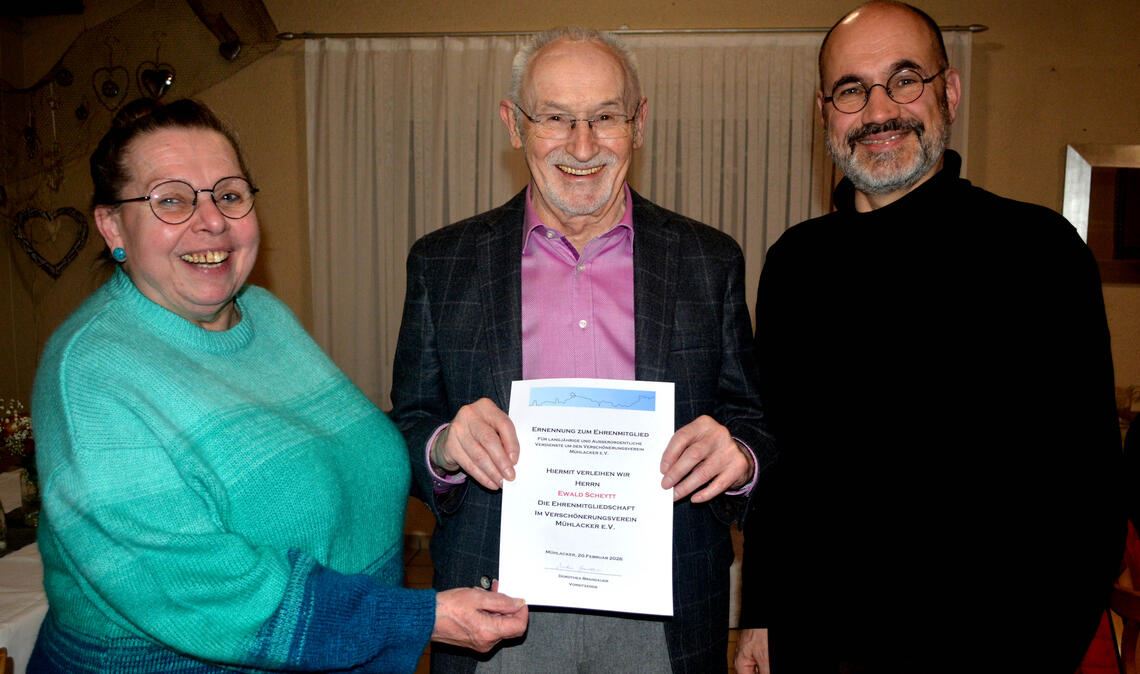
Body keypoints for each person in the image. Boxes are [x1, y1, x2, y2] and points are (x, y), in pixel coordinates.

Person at [29, 98, 527, 673]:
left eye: (229, 195)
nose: (211, 221)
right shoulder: (90, 373)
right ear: (112, 226)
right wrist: (413, 617)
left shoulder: (264, 316)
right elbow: (202, 587)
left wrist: (443, 450)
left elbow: (352, 457)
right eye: (171, 200)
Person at [735, 3, 1126, 672]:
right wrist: (761, 612)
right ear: (825, 112)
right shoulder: (795, 264)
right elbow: (781, 463)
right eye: (851, 89)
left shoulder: (1037, 252)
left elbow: (1090, 496)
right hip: (815, 643)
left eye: (905, 79)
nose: (879, 110)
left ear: (950, 91)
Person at [390, 27, 771, 673]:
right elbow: (409, 421)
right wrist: (444, 446)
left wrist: (740, 456)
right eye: (556, 118)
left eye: (605, 117)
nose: (583, 145)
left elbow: (754, 421)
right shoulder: (442, 262)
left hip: (665, 611)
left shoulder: (708, 261)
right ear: (514, 124)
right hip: (497, 607)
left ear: (639, 123)